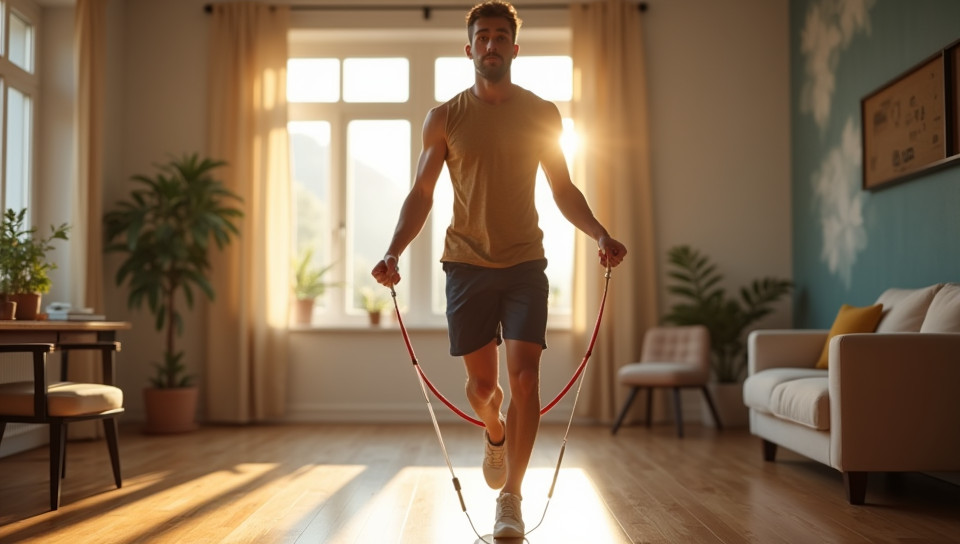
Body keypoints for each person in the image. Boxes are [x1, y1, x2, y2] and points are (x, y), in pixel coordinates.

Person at [371, 0, 626, 537]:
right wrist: (394, 250)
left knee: (526, 378)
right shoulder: (444, 118)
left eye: (500, 37)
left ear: (515, 47)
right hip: (465, 265)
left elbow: (563, 189)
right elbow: (422, 192)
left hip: (525, 264)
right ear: (469, 49)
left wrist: (600, 233)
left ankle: (511, 496)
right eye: (482, 37)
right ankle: (493, 430)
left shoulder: (541, 112)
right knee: (484, 392)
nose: (491, 45)